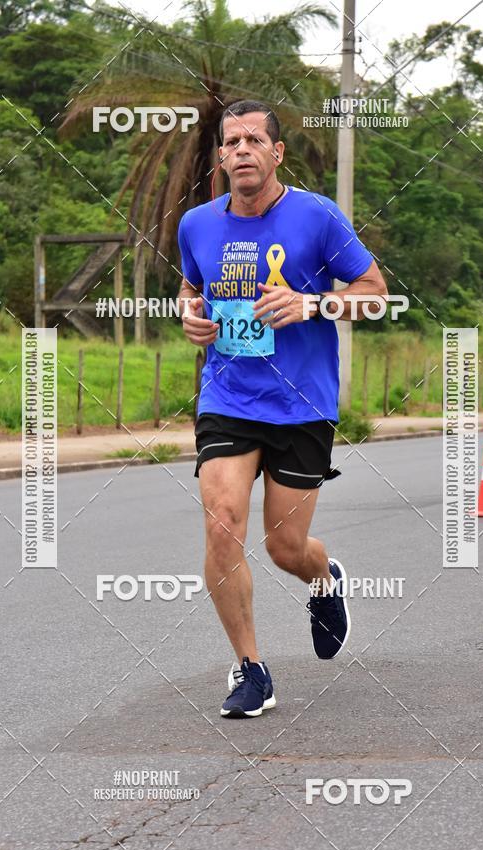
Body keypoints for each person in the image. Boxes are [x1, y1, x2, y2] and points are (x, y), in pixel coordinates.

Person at [177, 99, 387, 718]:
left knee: (285, 547)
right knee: (221, 521)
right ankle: (251, 670)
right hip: (228, 396)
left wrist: (312, 304)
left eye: (253, 140)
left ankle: (325, 580)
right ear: (220, 158)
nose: (241, 149)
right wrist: (189, 313)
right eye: (230, 141)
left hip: (302, 405)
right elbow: (192, 288)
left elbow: (375, 295)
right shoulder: (197, 225)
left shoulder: (316, 217)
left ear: (276, 153)